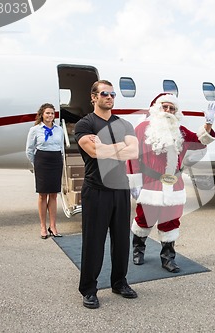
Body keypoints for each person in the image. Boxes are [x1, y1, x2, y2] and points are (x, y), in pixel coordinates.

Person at [127, 93, 215, 273]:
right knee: (144, 220)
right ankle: (138, 250)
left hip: (174, 185)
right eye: (165, 107)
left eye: (172, 108)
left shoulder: (180, 130)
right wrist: (135, 182)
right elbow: (132, 156)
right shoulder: (143, 128)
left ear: (176, 112)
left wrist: (208, 124)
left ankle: (168, 258)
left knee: (171, 222)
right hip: (150, 184)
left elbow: (200, 142)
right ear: (157, 109)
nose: (168, 111)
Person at [74, 80, 139, 309]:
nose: (109, 97)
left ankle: (119, 282)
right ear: (93, 97)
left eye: (112, 94)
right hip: (96, 190)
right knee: (94, 242)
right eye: (104, 93)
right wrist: (118, 147)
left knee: (122, 240)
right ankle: (89, 289)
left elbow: (134, 151)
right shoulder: (85, 124)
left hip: (120, 189)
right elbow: (94, 151)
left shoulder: (124, 124)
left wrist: (107, 147)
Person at [25, 103, 64, 239]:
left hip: (56, 161)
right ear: (42, 114)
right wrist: (36, 164)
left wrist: (61, 161)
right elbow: (29, 150)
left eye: (52, 113)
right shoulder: (35, 130)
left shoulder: (59, 130)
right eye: (47, 113)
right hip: (42, 162)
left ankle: (53, 226)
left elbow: (61, 148)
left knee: (53, 194)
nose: (50, 115)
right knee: (42, 195)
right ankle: (43, 226)